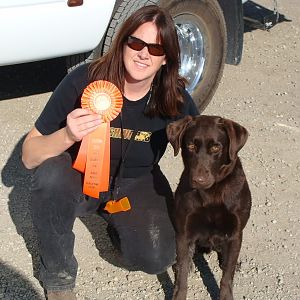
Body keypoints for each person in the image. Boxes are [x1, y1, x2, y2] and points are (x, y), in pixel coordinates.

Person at [22, 5, 199, 300]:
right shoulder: (84, 80)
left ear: (166, 58)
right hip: (78, 174)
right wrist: (67, 135)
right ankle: (58, 277)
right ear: (123, 42)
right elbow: (29, 155)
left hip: (135, 181)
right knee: (50, 178)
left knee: (157, 256)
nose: (144, 53)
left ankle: (119, 228)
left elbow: (202, 151)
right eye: (137, 42)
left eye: (156, 48)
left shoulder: (175, 100)